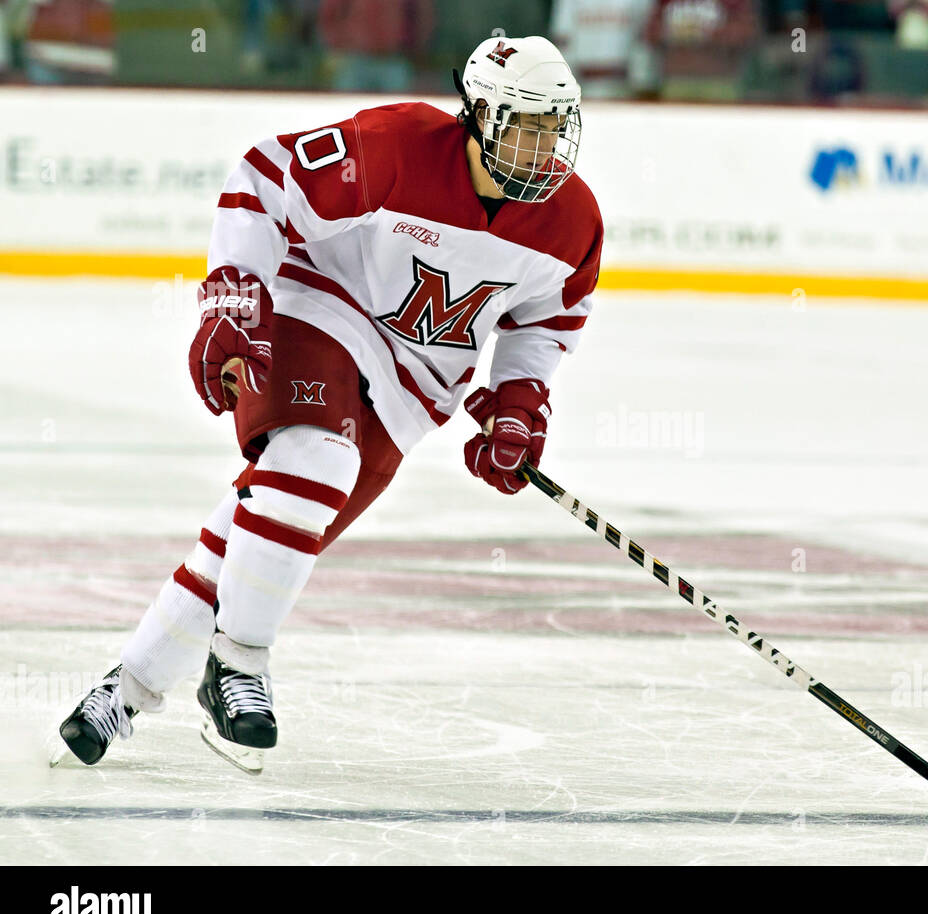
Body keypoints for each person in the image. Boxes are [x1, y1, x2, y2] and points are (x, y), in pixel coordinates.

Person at [56, 35, 603, 773]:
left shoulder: (571, 220)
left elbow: (549, 319)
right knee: (316, 462)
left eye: (555, 128)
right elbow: (264, 175)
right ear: (477, 115)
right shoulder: (400, 146)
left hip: (414, 393)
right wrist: (232, 294)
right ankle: (240, 664)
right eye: (526, 126)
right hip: (321, 307)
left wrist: (517, 399)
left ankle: (126, 689)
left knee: (267, 535)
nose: (544, 149)